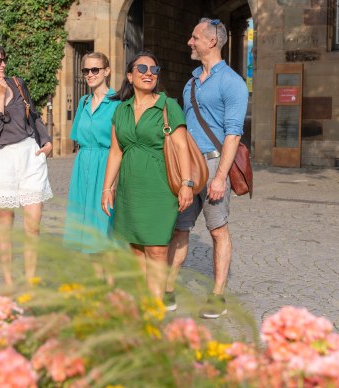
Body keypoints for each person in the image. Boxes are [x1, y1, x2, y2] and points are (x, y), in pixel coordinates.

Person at [166, 18, 249, 319]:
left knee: (217, 231)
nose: (190, 42)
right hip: (188, 167)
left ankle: (217, 296)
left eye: (195, 37)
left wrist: (220, 177)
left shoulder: (233, 83)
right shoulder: (190, 83)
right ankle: (167, 289)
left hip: (215, 163)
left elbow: (233, 133)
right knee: (179, 228)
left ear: (211, 41)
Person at [101, 51, 194, 300]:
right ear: (130, 76)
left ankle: (155, 310)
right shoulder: (121, 110)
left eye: (154, 69)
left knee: (156, 250)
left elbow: (183, 147)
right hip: (130, 190)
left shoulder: (168, 106)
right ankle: (143, 307)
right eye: (141, 69)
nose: (149, 74)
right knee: (136, 251)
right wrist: (107, 188)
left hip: (159, 189)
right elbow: (115, 152)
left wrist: (186, 184)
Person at [0, 42, 53, 287]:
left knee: (33, 224)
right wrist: (0, 97)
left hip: (29, 154)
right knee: (5, 226)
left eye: (4, 59)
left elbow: (32, 115)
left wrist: (45, 141)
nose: (3, 64)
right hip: (2, 158)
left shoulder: (17, 82)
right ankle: (9, 284)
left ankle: (30, 282)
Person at [63, 52, 119, 278]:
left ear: (107, 71)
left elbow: (121, 145)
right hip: (83, 167)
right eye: (86, 70)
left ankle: (112, 285)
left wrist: (113, 182)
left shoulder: (118, 102)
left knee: (105, 227)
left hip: (106, 167)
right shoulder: (83, 102)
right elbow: (78, 137)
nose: (90, 75)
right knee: (87, 230)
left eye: (95, 70)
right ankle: (97, 282)